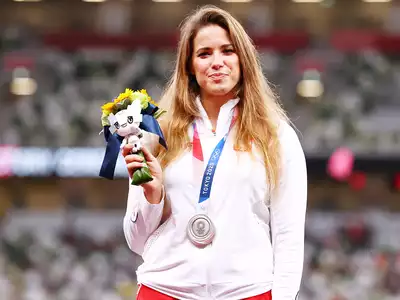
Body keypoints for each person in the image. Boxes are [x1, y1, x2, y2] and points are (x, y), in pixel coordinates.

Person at [122, 5, 307, 300]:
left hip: (247, 292)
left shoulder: (276, 136)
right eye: (204, 54)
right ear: (189, 66)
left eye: (227, 51)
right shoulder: (156, 133)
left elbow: (288, 237)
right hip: (164, 290)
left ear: (243, 59)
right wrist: (153, 197)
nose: (217, 62)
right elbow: (136, 241)